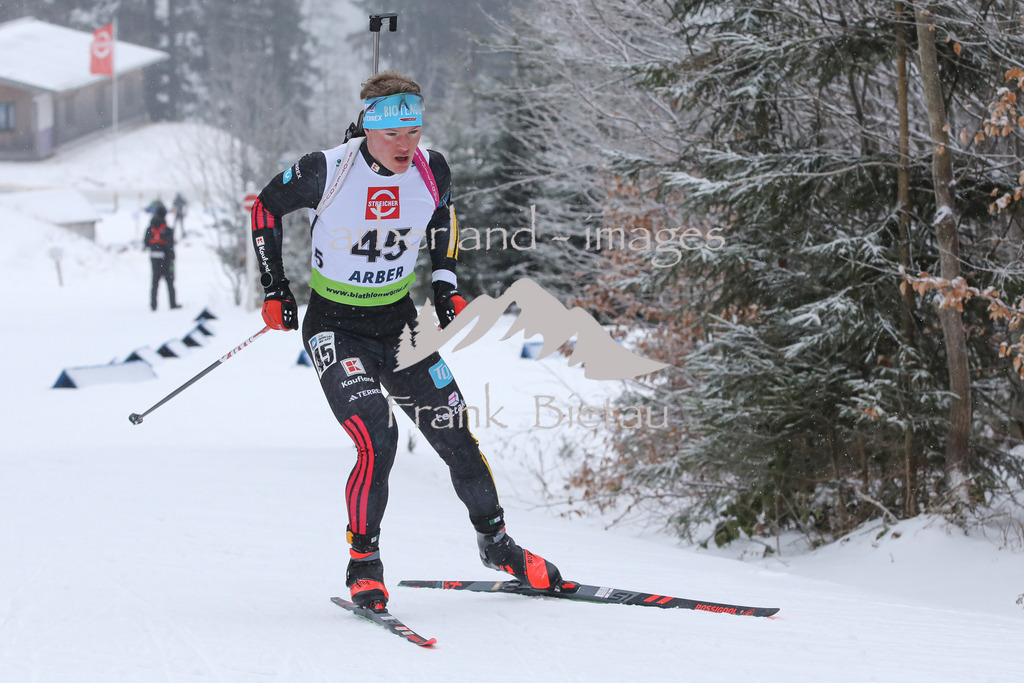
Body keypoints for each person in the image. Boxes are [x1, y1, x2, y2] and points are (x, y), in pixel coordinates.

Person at [249, 70, 564, 612]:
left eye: (414, 130)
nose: (405, 144)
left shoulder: (431, 166)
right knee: (379, 436)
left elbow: (443, 216)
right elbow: (264, 207)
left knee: (454, 431)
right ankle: (363, 563)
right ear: (369, 127)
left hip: (398, 326)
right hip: (335, 327)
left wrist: (445, 284)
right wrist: (275, 285)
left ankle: (498, 545)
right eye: (394, 133)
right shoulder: (327, 168)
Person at [143, 200, 179, 310]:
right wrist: (172, 258)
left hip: (154, 258)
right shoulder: (167, 230)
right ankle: (172, 304)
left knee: (154, 283)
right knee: (169, 282)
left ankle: (153, 305)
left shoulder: (150, 229)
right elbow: (170, 246)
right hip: (166, 260)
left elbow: (146, 243)